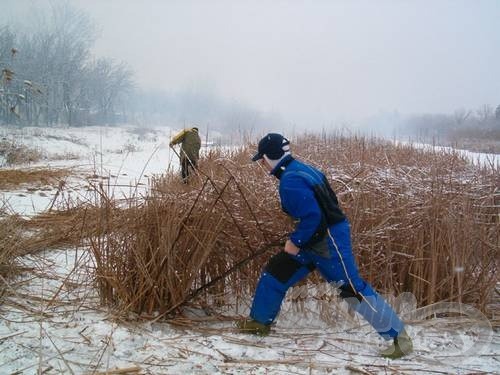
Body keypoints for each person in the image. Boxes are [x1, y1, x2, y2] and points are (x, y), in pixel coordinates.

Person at [237, 133, 413, 359]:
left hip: (329, 240)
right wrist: (302, 237)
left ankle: (399, 338)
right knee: (275, 273)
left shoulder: (290, 180)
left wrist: (295, 241)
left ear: (272, 156)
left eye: (262, 158)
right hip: (314, 238)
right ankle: (259, 323)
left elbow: (314, 218)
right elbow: (323, 207)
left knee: (351, 289)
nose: (262, 163)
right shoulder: (302, 169)